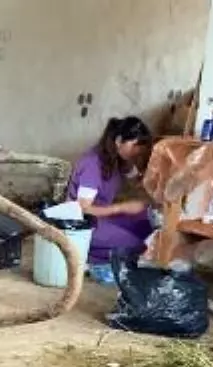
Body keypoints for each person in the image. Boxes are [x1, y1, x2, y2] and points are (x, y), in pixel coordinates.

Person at [66, 116, 154, 284]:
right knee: (139, 244)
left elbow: (138, 180)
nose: (137, 151)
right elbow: (82, 209)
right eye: (135, 145)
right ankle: (89, 258)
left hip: (101, 216)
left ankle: (102, 253)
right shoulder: (93, 163)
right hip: (83, 223)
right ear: (119, 141)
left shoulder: (120, 159)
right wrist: (122, 208)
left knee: (148, 227)